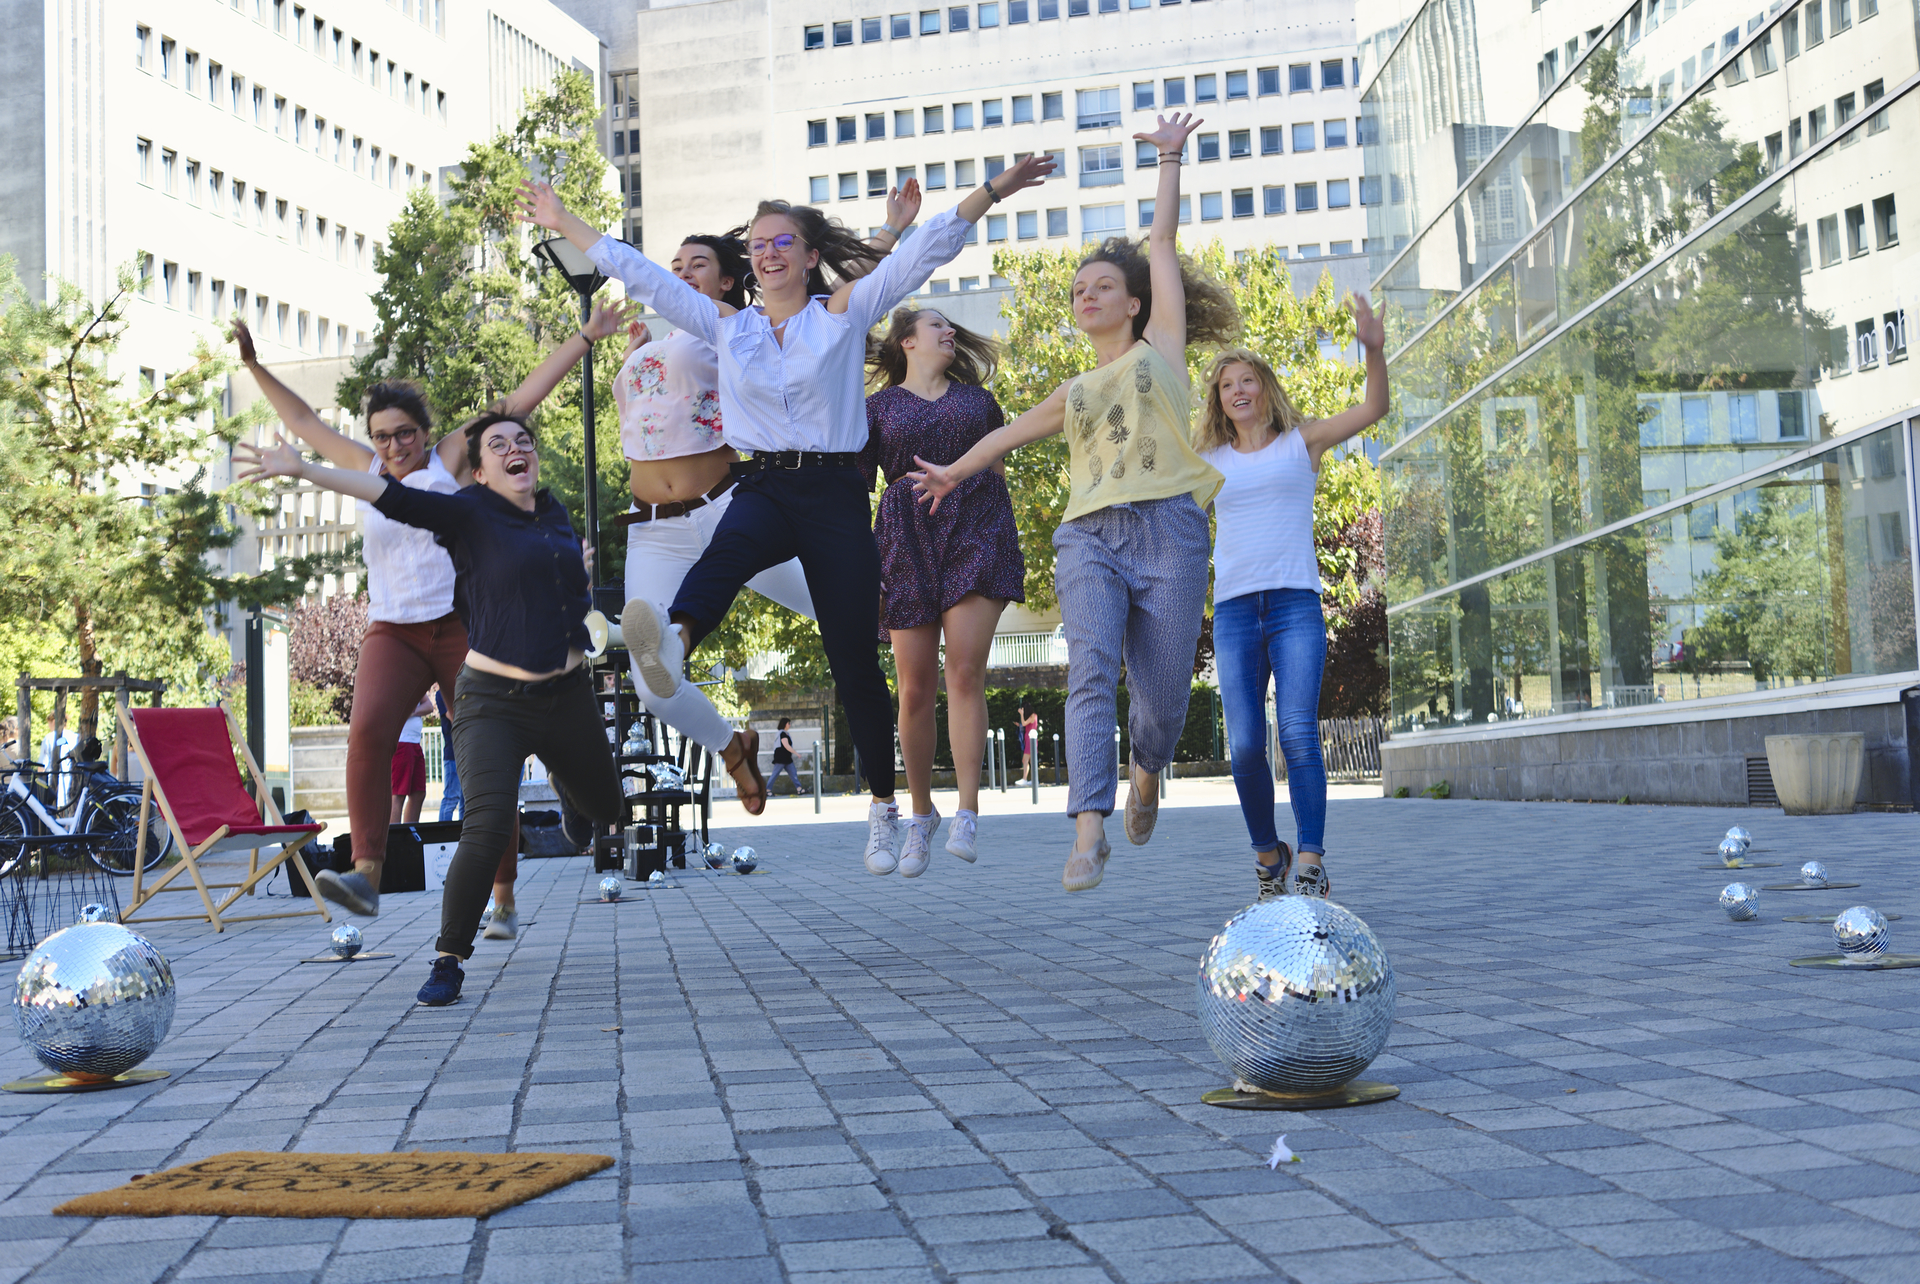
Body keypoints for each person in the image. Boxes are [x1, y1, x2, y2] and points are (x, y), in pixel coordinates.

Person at [515, 154, 1056, 877]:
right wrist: (563, 220)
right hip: (764, 484)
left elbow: (924, 253)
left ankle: (885, 807)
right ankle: (674, 638)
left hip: (834, 495)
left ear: (806, 257)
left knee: (854, 662)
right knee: (726, 554)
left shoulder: (843, 313)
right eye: (758, 244)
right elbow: (640, 273)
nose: (768, 253)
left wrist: (993, 190)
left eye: (782, 242)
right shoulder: (725, 325)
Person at [910, 113, 1237, 893]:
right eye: (1079, 290)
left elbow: (1162, 242)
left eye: (1103, 287)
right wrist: (952, 471)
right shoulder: (1076, 389)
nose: (1088, 296)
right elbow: (1005, 436)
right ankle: (1089, 830)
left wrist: (1169, 159)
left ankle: (1147, 768)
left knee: (1162, 697)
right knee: (1089, 671)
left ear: (1135, 305)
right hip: (1088, 535)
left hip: (1171, 531)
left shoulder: (1161, 348)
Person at [232, 308, 627, 917]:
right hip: (393, 630)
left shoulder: (450, 460)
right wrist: (254, 365)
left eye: (404, 434)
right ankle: (366, 871)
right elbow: (305, 421)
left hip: (465, 629)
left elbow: (520, 399)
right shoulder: (367, 468)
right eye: (381, 436)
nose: (393, 447)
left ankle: (502, 889)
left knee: (486, 756)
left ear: (425, 431)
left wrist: (585, 337)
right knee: (367, 734)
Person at [606, 197, 918, 812]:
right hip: (655, 526)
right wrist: (635, 353)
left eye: (698, 264)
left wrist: (888, 233)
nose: (682, 273)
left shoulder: (736, 328)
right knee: (652, 682)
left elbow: (837, 302)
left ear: (728, 280)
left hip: (731, 504)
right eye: (675, 265)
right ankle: (732, 747)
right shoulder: (652, 344)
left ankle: (902, 627)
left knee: (854, 616)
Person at [1196, 335, 1386, 901]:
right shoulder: (1208, 461)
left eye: (1246, 380)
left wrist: (1374, 349)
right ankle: (1268, 858)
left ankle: (1309, 862)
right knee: (1245, 746)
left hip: (1293, 606)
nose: (1237, 391)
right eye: (1226, 385)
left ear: (1265, 388)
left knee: (1298, 733)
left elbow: (1374, 408)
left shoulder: (1302, 443)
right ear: (1218, 400)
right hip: (1234, 611)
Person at [862, 307, 1022, 875]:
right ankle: (920, 815)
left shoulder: (979, 403)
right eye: (936, 325)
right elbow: (859, 491)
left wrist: (1001, 544)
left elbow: (997, 474)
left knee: (964, 672)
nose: (950, 331)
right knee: (913, 689)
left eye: (951, 325)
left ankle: (968, 812)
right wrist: (864, 566)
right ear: (906, 342)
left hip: (976, 529)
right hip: (904, 538)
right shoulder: (877, 409)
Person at [390, 696, 433, 823]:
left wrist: (414, 711)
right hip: (401, 742)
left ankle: (410, 830)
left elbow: (429, 706)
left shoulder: (415, 686)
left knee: (418, 792)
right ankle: (395, 832)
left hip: (415, 743)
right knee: (398, 793)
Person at [434, 688, 462, 822]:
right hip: (453, 754)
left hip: (464, 753)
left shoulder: (461, 689)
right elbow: (453, 717)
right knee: (451, 798)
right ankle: (443, 831)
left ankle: (466, 832)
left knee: (466, 801)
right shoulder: (443, 693)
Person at [769, 717, 803, 794]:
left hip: (787, 758)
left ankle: (799, 789)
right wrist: (796, 753)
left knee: (793, 773)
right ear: (784, 724)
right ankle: (767, 790)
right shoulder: (783, 734)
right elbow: (786, 745)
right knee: (775, 774)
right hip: (781, 758)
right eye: (788, 723)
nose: (789, 725)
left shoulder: (783, 733)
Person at [1018, 705, 1040, 783]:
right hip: (1030, 739)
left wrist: (1021, 714)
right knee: (1030, 760)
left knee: (1025, 760)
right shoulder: (1034, 716)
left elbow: (1024, 723)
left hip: (1030, 739)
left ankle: (1025, 779)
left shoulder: (1032, 716)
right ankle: (1034, 779)